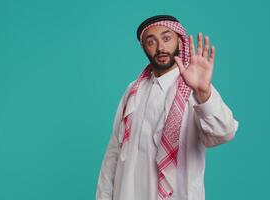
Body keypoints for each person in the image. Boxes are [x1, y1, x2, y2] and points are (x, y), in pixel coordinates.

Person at [96, 15, 239, 200]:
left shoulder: (195, 88)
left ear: (180, 41)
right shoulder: (133, 90)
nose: (160, 48)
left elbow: (223, 133)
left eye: (166, 38)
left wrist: (204, 92)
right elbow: (114, 152)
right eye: (151, 41)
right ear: (143, 47)